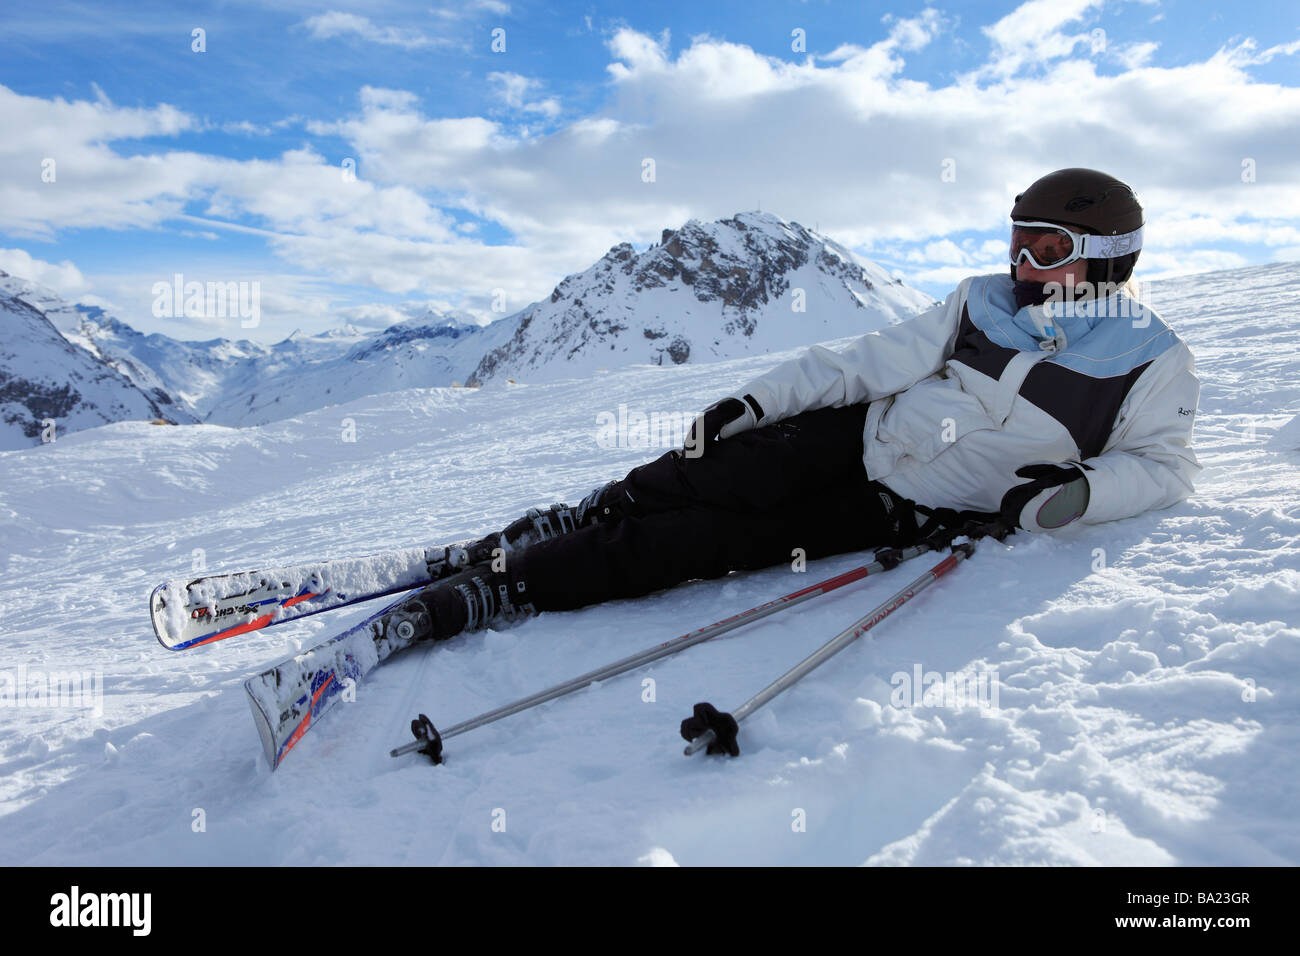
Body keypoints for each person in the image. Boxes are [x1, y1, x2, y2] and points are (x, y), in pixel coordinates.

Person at [404, 167, 1201, 642]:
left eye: (1049, 247)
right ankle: (572, 518)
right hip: (859, 433)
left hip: (907, 506)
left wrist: (1076, 496)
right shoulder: (980, 301)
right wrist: (754, 401)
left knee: (705, 541)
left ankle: (508, 587)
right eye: (1018, 239)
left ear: (1108, 257)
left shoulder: (1151, 360)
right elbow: (863, 362)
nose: (1025, 263)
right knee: (699, 466)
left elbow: (1164, 468)